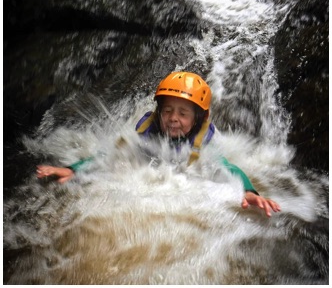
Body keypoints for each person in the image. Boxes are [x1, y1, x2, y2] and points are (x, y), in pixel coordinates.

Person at [37, 71, 281, 217]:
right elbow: (109, 156)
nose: (173, 118)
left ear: (199, 119)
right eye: (167, 111)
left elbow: (228, 168)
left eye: (183, 113)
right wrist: (74, 169)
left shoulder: (201, 146)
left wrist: (248, 191)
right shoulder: (149, 135)